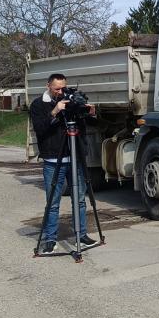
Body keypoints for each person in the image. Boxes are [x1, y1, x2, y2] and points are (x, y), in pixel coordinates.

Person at [29, 73, 99, 254]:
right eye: (56, 89)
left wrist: (90, 112)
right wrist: (55, 111)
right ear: (48, 86)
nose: (60, 92)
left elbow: (88, 123)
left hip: (75, 158)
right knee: (52, 202)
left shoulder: (70, 101)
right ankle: (50, 239)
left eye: (63, 88)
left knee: (80, 199)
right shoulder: (38, 104)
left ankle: (82, 234)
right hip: (53, 159)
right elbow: (40, 128)